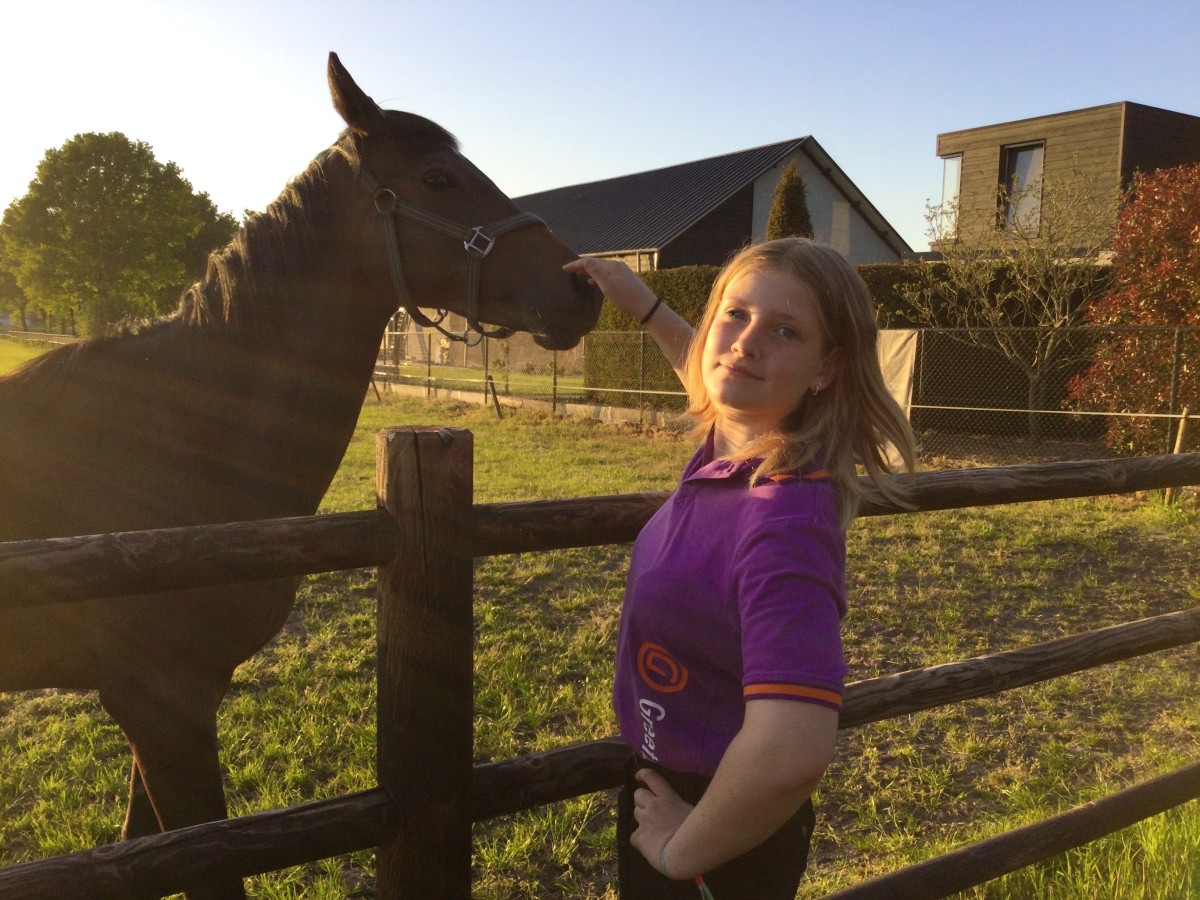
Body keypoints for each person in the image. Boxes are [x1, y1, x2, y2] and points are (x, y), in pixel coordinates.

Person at [564, 239, 918, 899]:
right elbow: (707, 363)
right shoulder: (735, 452)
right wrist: (637, 299)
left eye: (785, 330)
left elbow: (792, 750)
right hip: (673, 792)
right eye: (735, 314)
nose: (745, 343)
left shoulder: (783, 519)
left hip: (719, 822)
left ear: (824, 369)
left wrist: (681, 850)